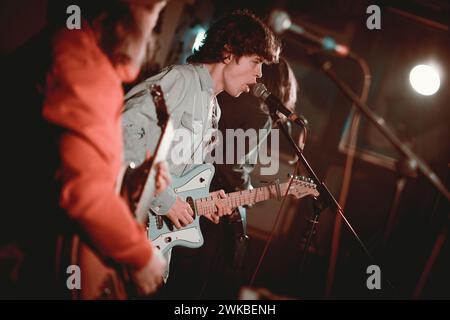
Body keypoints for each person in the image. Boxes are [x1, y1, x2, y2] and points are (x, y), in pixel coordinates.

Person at [1, 0, 169, 299]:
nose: (153, 33)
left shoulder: (69, 43)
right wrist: (142, 256)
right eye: (154, 14)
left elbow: (60, 161)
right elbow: (86, 195)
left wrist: (133, 180)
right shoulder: (86, 69)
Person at [121, 10, 280, 298]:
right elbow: (121, 132)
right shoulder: (181, 81)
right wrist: (165, 200)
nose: (259, 75)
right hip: (123, 230)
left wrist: (202, 202)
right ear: (229, 52)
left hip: (149, 252)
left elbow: (180, 178)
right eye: (257, 62)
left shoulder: (212, 109)